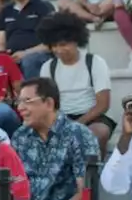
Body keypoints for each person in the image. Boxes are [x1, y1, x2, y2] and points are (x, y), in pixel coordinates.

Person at [37, 12, 116, 156]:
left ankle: (95, 172)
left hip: (92, 117)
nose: (58, 50)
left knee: (99, 133)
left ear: (76, 41)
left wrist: (78, 123)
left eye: (63, 44)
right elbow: (46, 103)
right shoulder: (48, 67)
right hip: (61, 117)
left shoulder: (95, 62)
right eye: (54, 46)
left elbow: (103, 104)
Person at [0, 0, 54, 80]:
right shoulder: (5, 11)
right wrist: (4, 57)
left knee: (29, 61)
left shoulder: (43, 7)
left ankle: (31, 95)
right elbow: (1, 43)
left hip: (38, 55)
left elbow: (49, 44)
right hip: (13, 56)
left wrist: (25, 53)